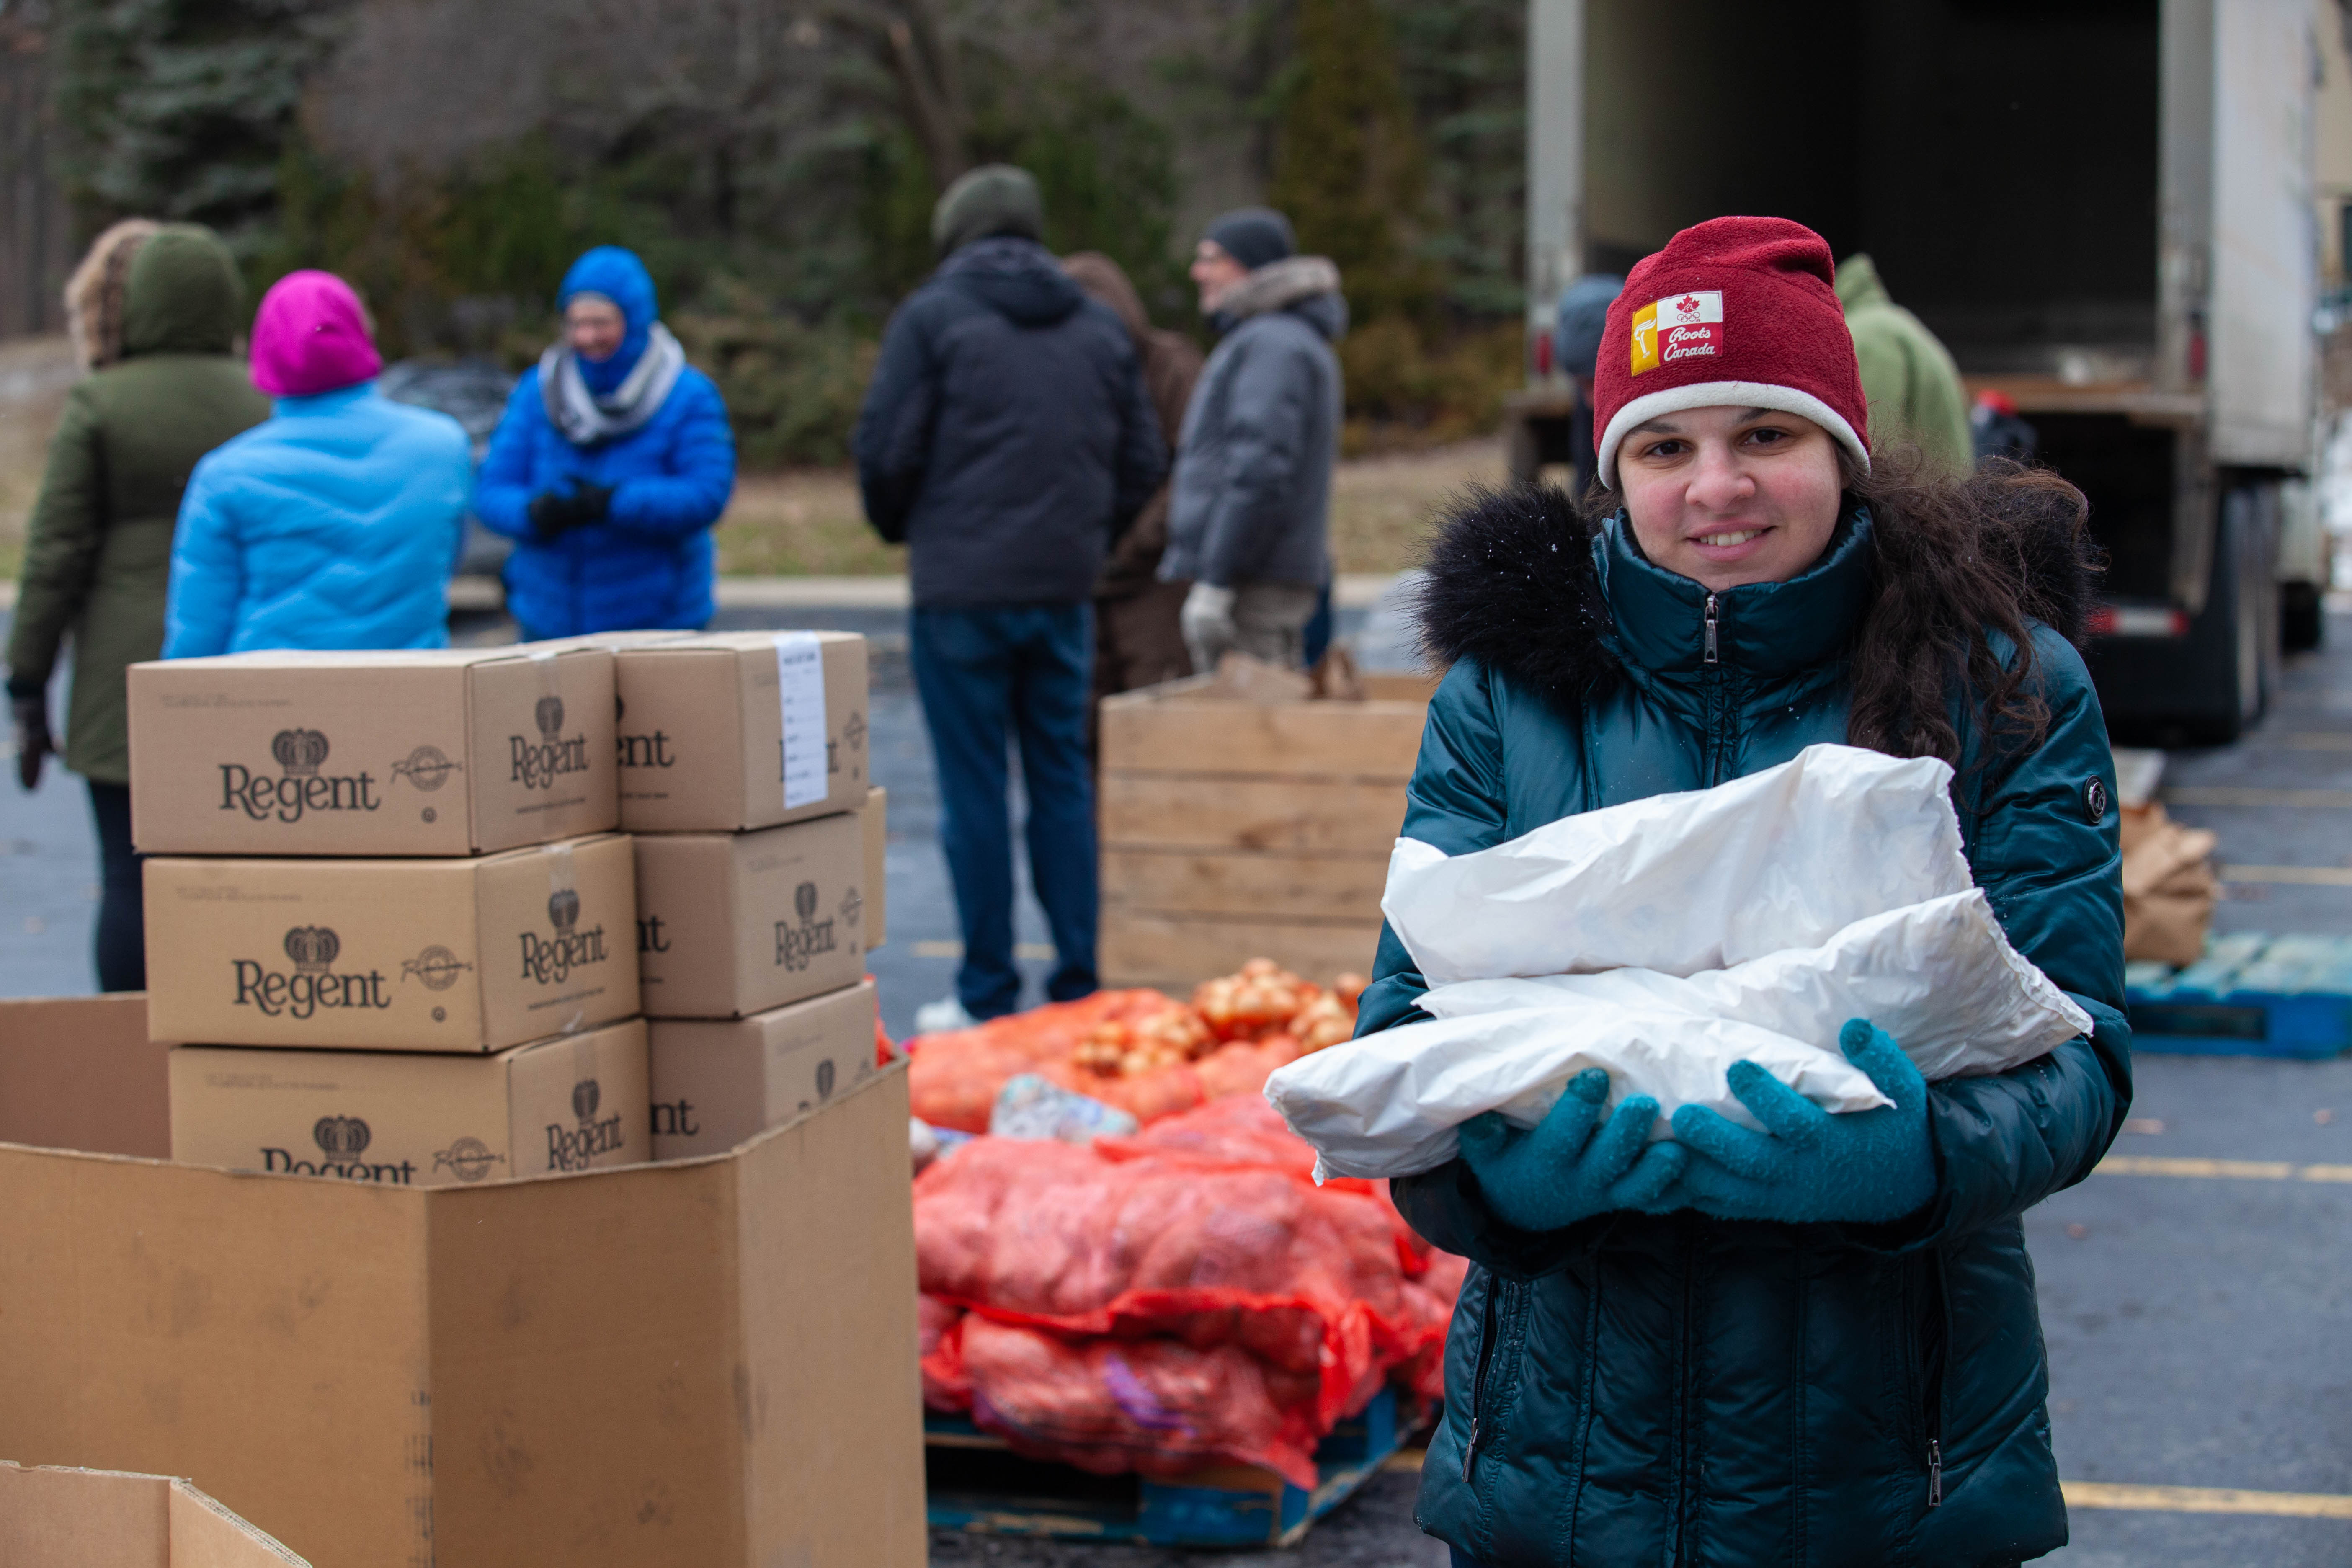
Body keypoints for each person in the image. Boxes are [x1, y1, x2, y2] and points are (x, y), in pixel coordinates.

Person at [1372, 218, 2126, 1568]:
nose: (1718, 485)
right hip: (1564, 1475)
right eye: (1667, 448)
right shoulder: (1507, 696)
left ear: (1841, 445)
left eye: (1763, 435)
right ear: (1617, 475)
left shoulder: (2002, 684)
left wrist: (1911, 1160)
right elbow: (1398, 1046)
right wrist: (1496, 1182)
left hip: (1891, 1475)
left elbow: (2082, 1056)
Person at [854, 165, 1166, 1030]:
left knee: (975, 789)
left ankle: (989, 990)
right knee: (1062, 780)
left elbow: (885, 450)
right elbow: (1143, 459)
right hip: (1062, 587)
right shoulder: (1099, 327)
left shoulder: (931, 321)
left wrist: (913, 527)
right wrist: (1084, 538)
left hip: (960, 589)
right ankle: (1076, 985)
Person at [6, 222, 270, 990]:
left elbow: (55, 552)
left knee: (127, 881)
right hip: (242, 663)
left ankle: (125, 1055)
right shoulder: (262, 398)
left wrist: (26, 683)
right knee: (240, 877)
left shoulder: (102, 403)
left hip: (123, 677)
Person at [164, 271, 470, 660]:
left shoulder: (225, 476)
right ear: (361, 337)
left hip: (273, 709)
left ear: (265, 354)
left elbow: (197, 638)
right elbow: (446, 563)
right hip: (414, 698)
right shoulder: (443, 447)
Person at [474, 246, 736, 639]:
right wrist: (533, 513)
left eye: (601, 323)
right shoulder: (538, 391)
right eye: (576, 323)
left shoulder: (687, 395)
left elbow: (706, 495)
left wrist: (615, 503)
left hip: (658, 621)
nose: (586, 337)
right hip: (548, 619)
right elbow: (492, 490)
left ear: (634, 322)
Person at [1162, 207, 1344, 673]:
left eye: (1213, 259)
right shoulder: (1275, 338)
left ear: (1251, 265)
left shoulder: (1273, 344)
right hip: (1257, 575)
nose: (1197, 272)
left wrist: (1216, 581)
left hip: (1254, 584)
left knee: (1250, 735)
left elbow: (1259, 470)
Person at [1060, 250, 1205, 722]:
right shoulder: (1068, 371)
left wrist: (1130, 551)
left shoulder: (1172, 366)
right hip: (1087, 583)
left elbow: (1192, 475)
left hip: (1155, 580)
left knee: (1157, 722)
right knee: (1088, 731)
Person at [1837, 251, 1974, 475]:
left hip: (1916, 505)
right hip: (1939, 502)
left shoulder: (1867, 337)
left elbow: (1873, 450)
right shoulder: (1893, 323)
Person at [1553, 272, 1623, 495]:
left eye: (1595, 384)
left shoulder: (1616, 337)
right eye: (1584, 384)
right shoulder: (1573, 350)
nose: (1592, 401)